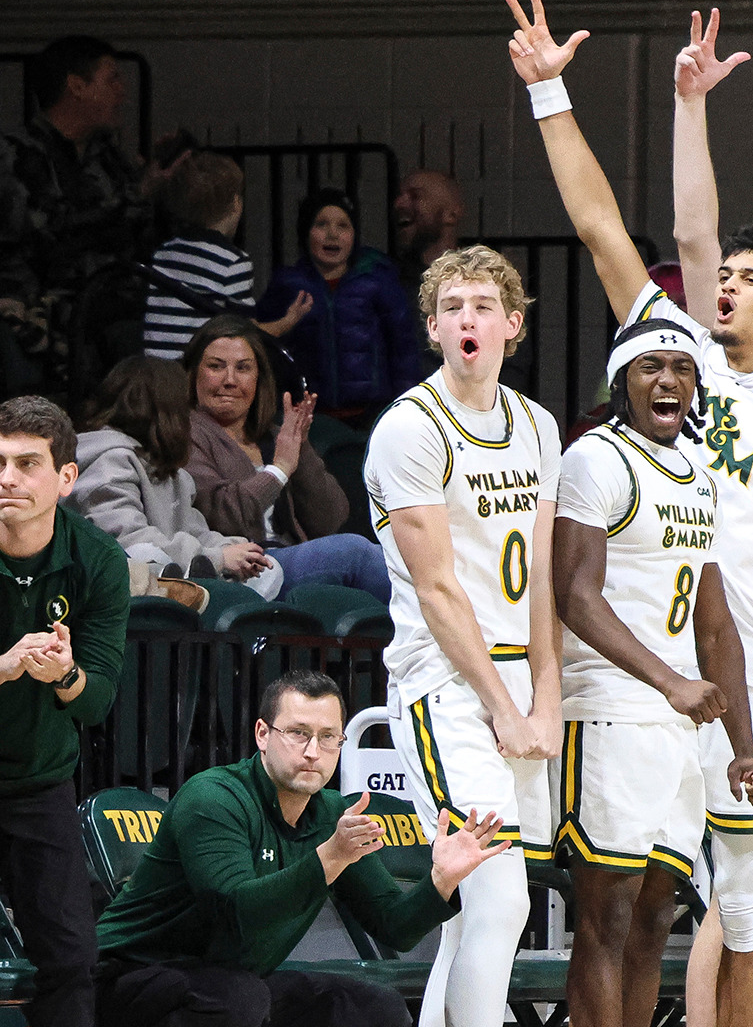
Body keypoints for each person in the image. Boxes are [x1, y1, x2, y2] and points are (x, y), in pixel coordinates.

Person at [505, 0, 753, 1027]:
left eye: (751, 280)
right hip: (644, 688)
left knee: (746, 910)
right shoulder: (678, 357)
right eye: (726, 277)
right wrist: (557, 87)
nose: (724, 288)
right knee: (631, 907)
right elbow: (615, 221)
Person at [550, 313, 753, 1025]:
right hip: (608, 707)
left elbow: (714, 623)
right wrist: (668, 681)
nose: (668, 379)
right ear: (621, 384)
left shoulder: (698, 474)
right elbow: (575, 594)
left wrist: (743, 745)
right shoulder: (595, 458)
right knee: (607, 915)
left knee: (655, 917)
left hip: (677, 726)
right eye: (651, 367)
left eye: (681, 368)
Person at [364, 243, 564, 1027]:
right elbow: (439, 589)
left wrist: (546, 697)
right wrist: (503, 708)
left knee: (475, 916)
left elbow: (544, 574)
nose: (467, 318)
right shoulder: (408, 430)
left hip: (521, 675)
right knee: (499, 898)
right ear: (433, 329)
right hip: (446, 683)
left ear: (512, 324)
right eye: (452, 308)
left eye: (483, 306)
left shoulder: (539, 425)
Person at [93, 670, 511, 1027]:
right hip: (128, 977)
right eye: (298, 734)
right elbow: (237, 910)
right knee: (238, 999)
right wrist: (331, 856)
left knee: (373, 1009)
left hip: (231, 980)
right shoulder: (213, 798)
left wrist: (440, 880)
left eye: (328, 737)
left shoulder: (330, 813)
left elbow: (394, 927)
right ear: (262, 734)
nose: (313, 752)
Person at [0, 395, 127, 1027]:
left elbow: (98, 697)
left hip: (39, 782)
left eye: (26, 464)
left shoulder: (98, 560)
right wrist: (5, 665)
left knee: (74, 960)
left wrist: (64, 675)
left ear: (66, 478)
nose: (6, 479)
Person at [181, 316, 390, 602]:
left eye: (243, 368)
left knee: (392, 558)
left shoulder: (275, 437)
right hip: (241, 567)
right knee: (355, 554)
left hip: (286, 557)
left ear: (258, 379)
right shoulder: (184, 434)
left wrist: (299, 450)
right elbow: (222, 514)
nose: (229, 380)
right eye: (216, 366)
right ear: (194, 374)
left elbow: (331, 519)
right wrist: (278, 470)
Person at [0, 36, 157, 397]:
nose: (122, 92)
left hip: (111, 309)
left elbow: (137, 233)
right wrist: (136, 196)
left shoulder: (108, 158)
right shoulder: (18, 154)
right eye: (112, 79)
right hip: (45, 314)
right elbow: (45, 235)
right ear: (76, 87)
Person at [71, 357, 283, 597]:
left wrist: (232, 549)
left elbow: (195, 530)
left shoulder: (172, 471)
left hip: (182, 564)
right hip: (117, 585)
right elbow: (126, 539)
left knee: (270, 570)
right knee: (147, 556)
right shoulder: (108, 458)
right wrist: (217, 558)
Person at [257, 189, 420, 425]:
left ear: (355, 235)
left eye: (343, 226)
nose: (332, 234)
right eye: (321, 224)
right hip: (308, 416)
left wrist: (408, 406)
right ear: (305, 233)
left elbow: (403, 350)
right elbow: (264, 344)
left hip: (372, 414)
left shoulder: (378, 281)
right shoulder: (288, 285)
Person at [142, 151, 310, 359]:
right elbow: (248, 333)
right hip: (196, 373)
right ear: (235, 204)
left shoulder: (164, 252)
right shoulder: (232, 262)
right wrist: (289, 320)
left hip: (156, 370)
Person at [393, 170, 465, 287]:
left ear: (451, 215)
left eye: (415, 196)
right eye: (399, 195)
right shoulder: (385, 280)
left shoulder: (480, 279)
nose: (398, 204)